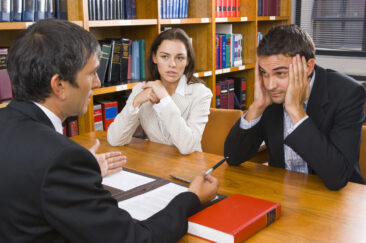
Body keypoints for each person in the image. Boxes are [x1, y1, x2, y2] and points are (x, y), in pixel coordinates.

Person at [0, 19, 219, 242]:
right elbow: (133, 239)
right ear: (59, 86)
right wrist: (190, 199)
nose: (97, 83)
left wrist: (80, 174)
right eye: (92, 73)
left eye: (179, 57)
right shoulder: (62, 159)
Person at [224, 24, 366, 190]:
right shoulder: (270, 94)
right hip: (284, 191)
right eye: (264, 73)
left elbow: (337, 177)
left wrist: (295, 110)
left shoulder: (347, 93)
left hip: (337, 200)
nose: (270, 85)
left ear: (308, 67)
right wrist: (257, 107)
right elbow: (232, 157)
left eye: (280, 73)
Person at [107, 28, 212, 155]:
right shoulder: (141, 89)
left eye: (179, 58)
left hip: (190, 167)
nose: (172, 64)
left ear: (187, 61)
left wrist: (165, 99)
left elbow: (188, 147)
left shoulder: (201, 93)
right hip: (157, 164)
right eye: (165, 56)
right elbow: (115, 139)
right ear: (154, 57)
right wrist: (135, 104)